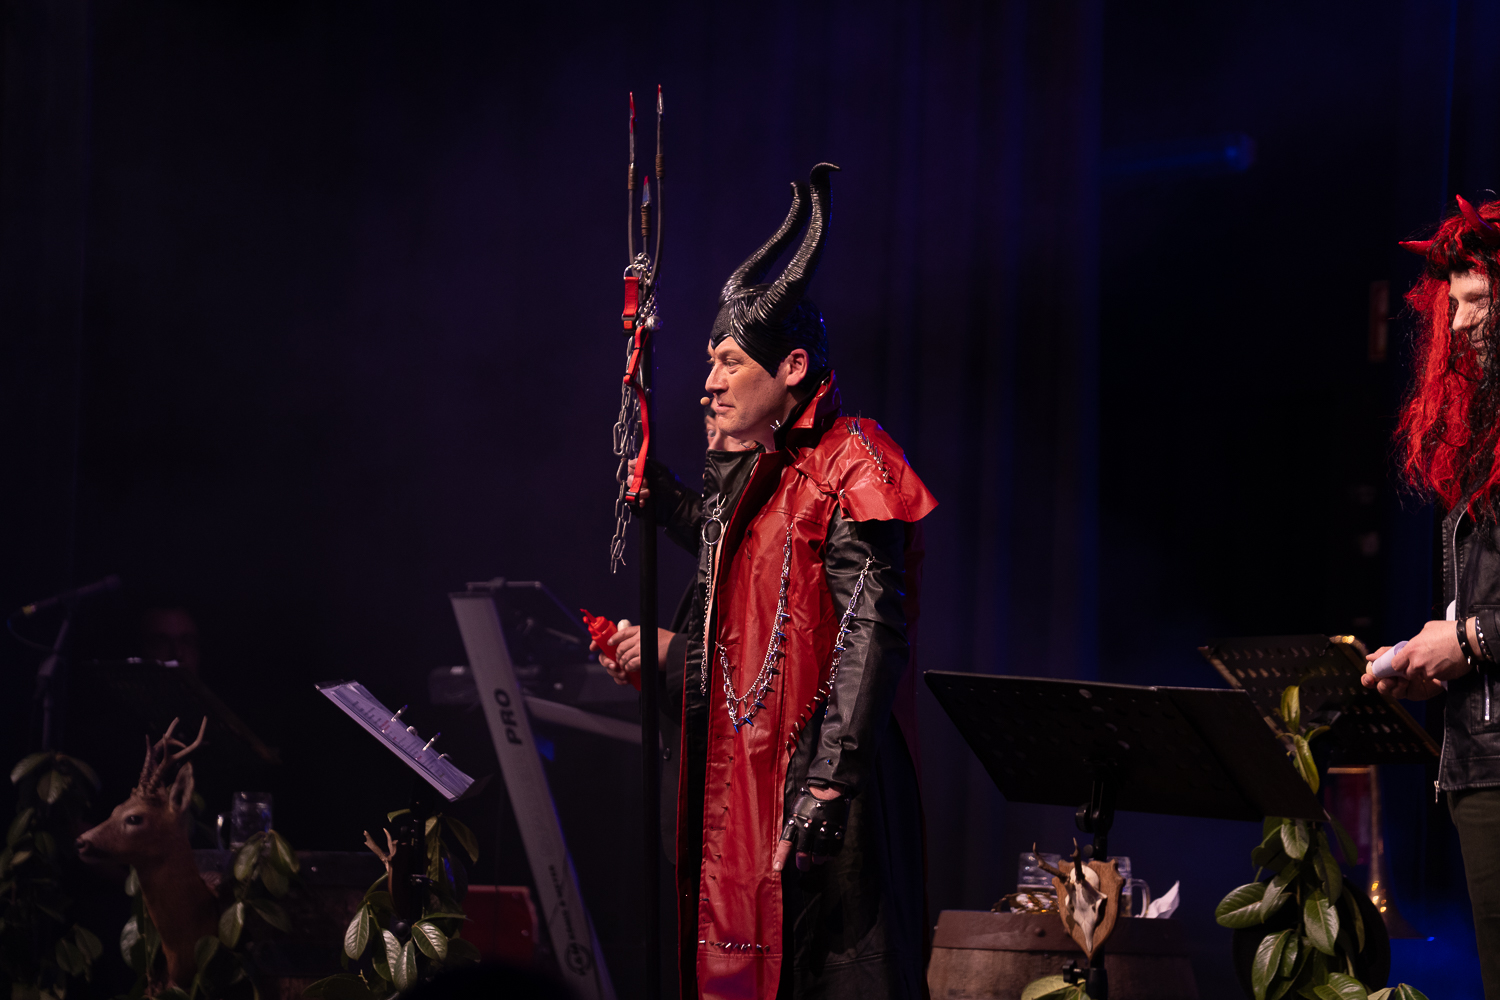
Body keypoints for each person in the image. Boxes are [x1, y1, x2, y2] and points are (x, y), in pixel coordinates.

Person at [660, 163, 937, 1000]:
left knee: (835, 971)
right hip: (750, 768)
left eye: (728, 362)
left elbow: (870, 625)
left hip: (825, 777)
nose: (709, 381)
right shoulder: (769, 468)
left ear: (791, 366)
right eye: (709, 362)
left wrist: (828, 781)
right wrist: (660, 496)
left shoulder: (853, 457)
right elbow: (741, 553)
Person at [1363, 194, 1500, 998]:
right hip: (1480, 759)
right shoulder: (1485, 430)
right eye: (1455, 305)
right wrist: (1435, 646)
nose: (1460, 323)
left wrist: (1471, 640)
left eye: (1479, 301)